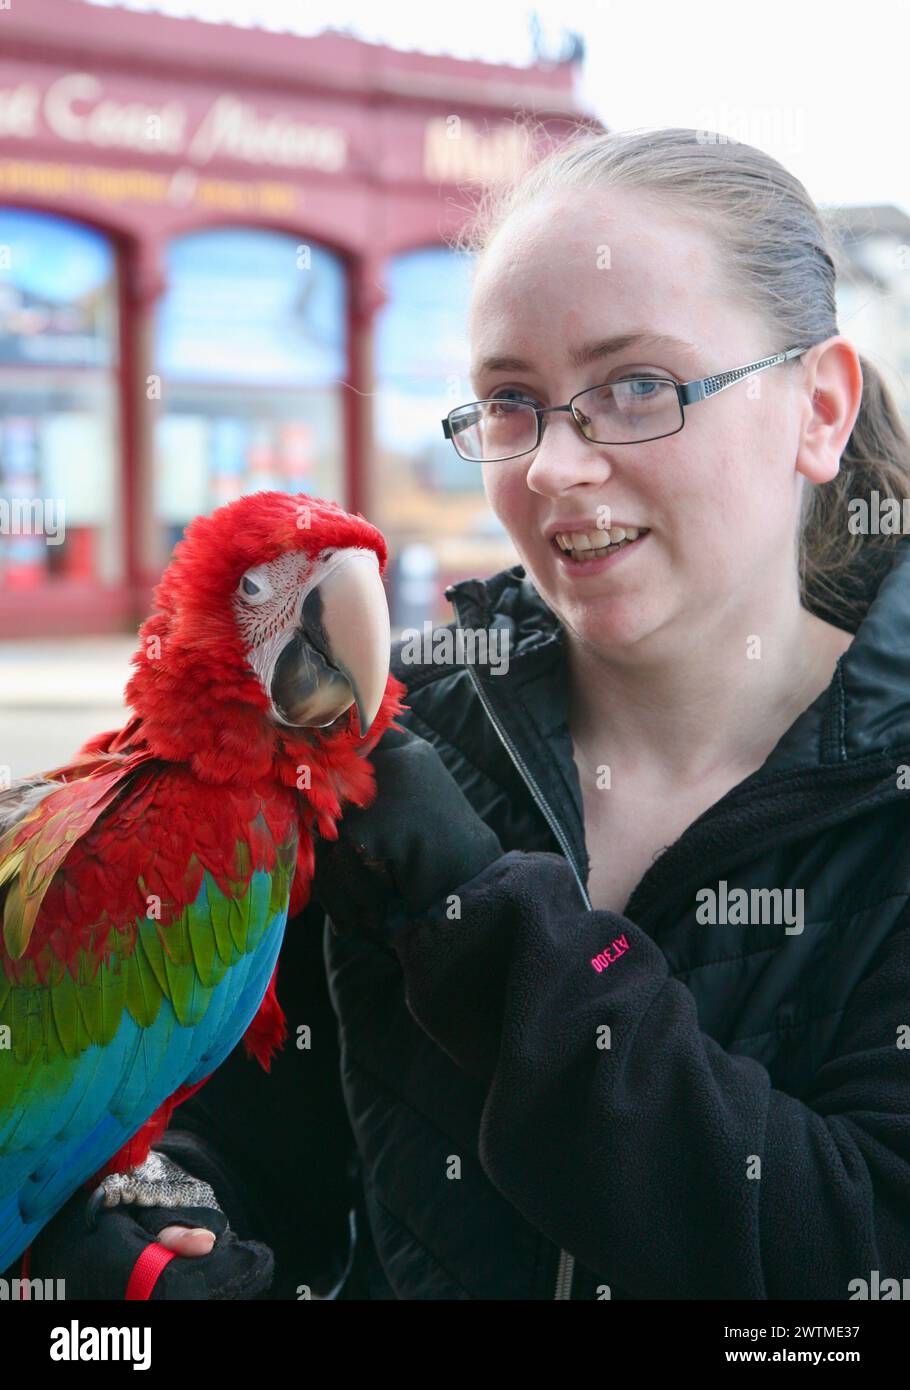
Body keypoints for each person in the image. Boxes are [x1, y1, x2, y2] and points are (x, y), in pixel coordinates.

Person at [19, 125, 910, 1299]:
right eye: (509, 402)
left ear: (819, 407)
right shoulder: (381, 747)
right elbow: (238, 1137)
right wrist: (159, 1236)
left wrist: (481, 917)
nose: (551, 466)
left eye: (636, 387)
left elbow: (847, 1261)